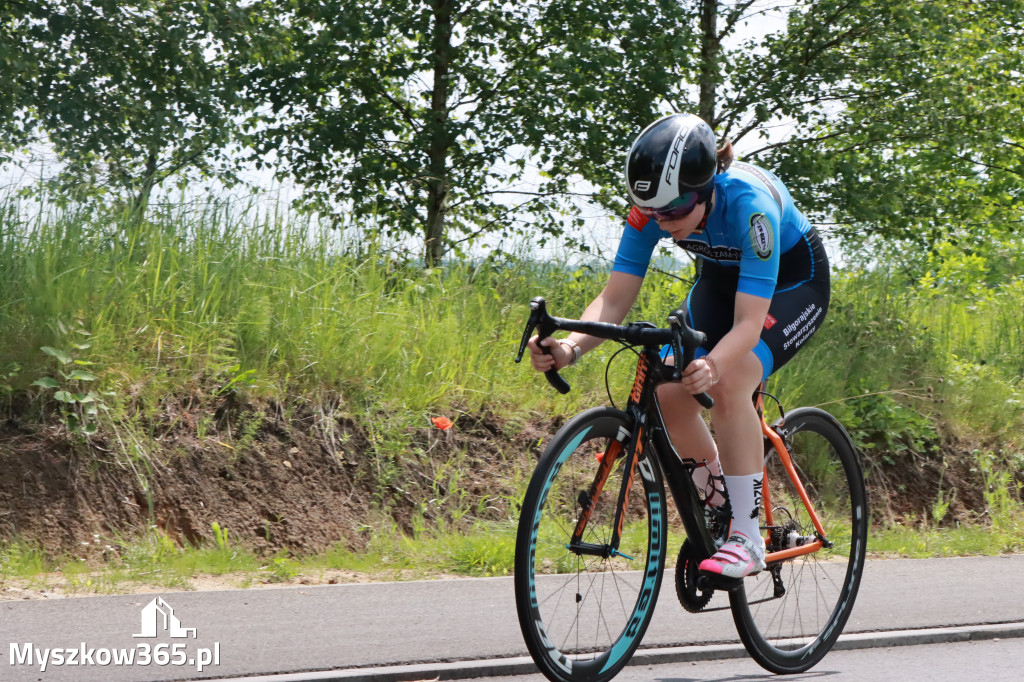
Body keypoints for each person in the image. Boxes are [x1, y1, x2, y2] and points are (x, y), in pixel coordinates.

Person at [527, 113, 830, 580]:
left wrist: (713, 366)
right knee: (669, 393)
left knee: (729, 380)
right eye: (654, 213)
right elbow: (614, 299)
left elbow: (749, 324)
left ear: (705, 189)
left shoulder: (750, 208)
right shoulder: (654, 208)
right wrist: (569, 348)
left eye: (673, 212)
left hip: (792, 284)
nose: (663, 223)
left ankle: (746, 539)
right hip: (720, 281)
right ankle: (726, 502)